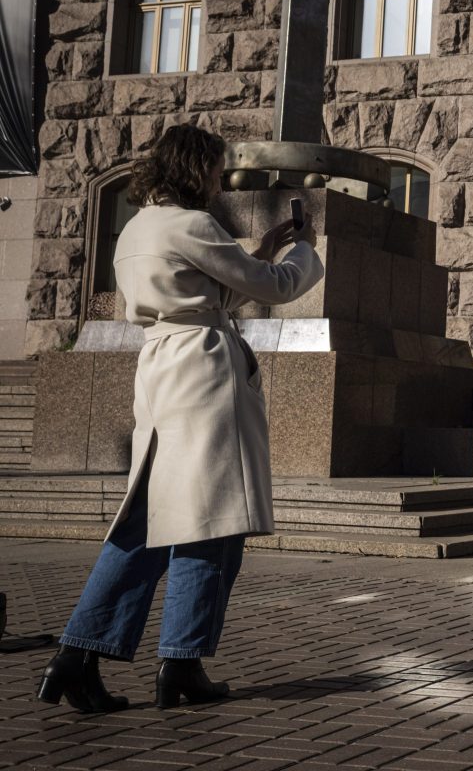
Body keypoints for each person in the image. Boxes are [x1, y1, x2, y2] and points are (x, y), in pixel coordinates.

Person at [36, 124, 323, 712]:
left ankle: (76, 655)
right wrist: (302, 251)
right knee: (211, 523)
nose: (220, 179)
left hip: (161, 370)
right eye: (216, 168)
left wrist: (261, 247)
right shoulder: (193, 224)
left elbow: (206, 295)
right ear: (195, 169)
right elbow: (272, 288)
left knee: (142, 522)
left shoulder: (136, 228)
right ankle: (181, 663)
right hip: (204, 377)